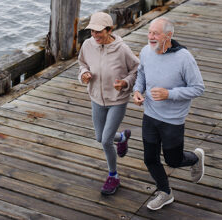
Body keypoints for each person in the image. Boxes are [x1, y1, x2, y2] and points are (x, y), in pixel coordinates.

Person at [133, 17, 205, 210]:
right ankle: (165, 192)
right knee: (150, 158)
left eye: (155, 33)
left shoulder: (184, 58)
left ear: (169, 35)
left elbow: (198, 88)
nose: (150, 37)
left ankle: (195, 158)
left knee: (173, 160)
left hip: (173, 120)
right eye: (149, 32)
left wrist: (169, 94)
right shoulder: (146, 51)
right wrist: (137, 91)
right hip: (150, 114)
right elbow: (141, 73)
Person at [78, 12, 139, 195]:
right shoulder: (88, 45)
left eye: (98, 32)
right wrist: (84, 74)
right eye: (92, 32)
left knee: (105, 140)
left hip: (117, 100)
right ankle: (122, 137)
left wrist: (125, 83)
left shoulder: (122, 49)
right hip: (96, 98)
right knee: (100, 137)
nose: (95, 36)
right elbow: (82, 63)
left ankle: (113, 176)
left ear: (109, 30)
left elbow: (137, 69)